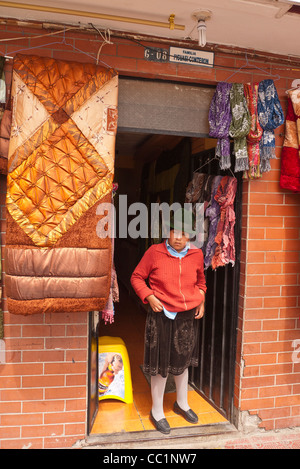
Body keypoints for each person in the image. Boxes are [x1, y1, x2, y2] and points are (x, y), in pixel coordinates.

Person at [130, 209, 206, 434]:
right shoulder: (154, 252)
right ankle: (157, 411)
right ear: (168, 232)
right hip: (162, 315)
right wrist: (149, 296)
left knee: (182, 364)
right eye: (174, 231)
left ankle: (181, 404)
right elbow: (136, 277)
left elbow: (201, 281)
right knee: (161, 367)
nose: (178, 237)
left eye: (184, 233)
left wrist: (201, 299)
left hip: (186, 318)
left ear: (190, 235)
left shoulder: (197, 255)